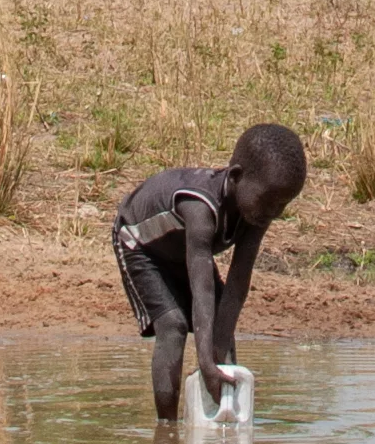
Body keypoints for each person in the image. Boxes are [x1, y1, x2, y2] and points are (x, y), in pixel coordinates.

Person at [113, 123, 308, 421]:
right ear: (236, 177)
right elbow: (202, 285)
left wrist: (218, 345)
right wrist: (205, 361)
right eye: (269, 200)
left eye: (283, 205)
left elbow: (238, 281)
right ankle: (166, 428)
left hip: (181, 251)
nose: (274, 212)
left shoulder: (256, 213)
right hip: (140, 244)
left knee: (221, 329)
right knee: (174, 326)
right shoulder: (200, 208)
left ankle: (223, 414)